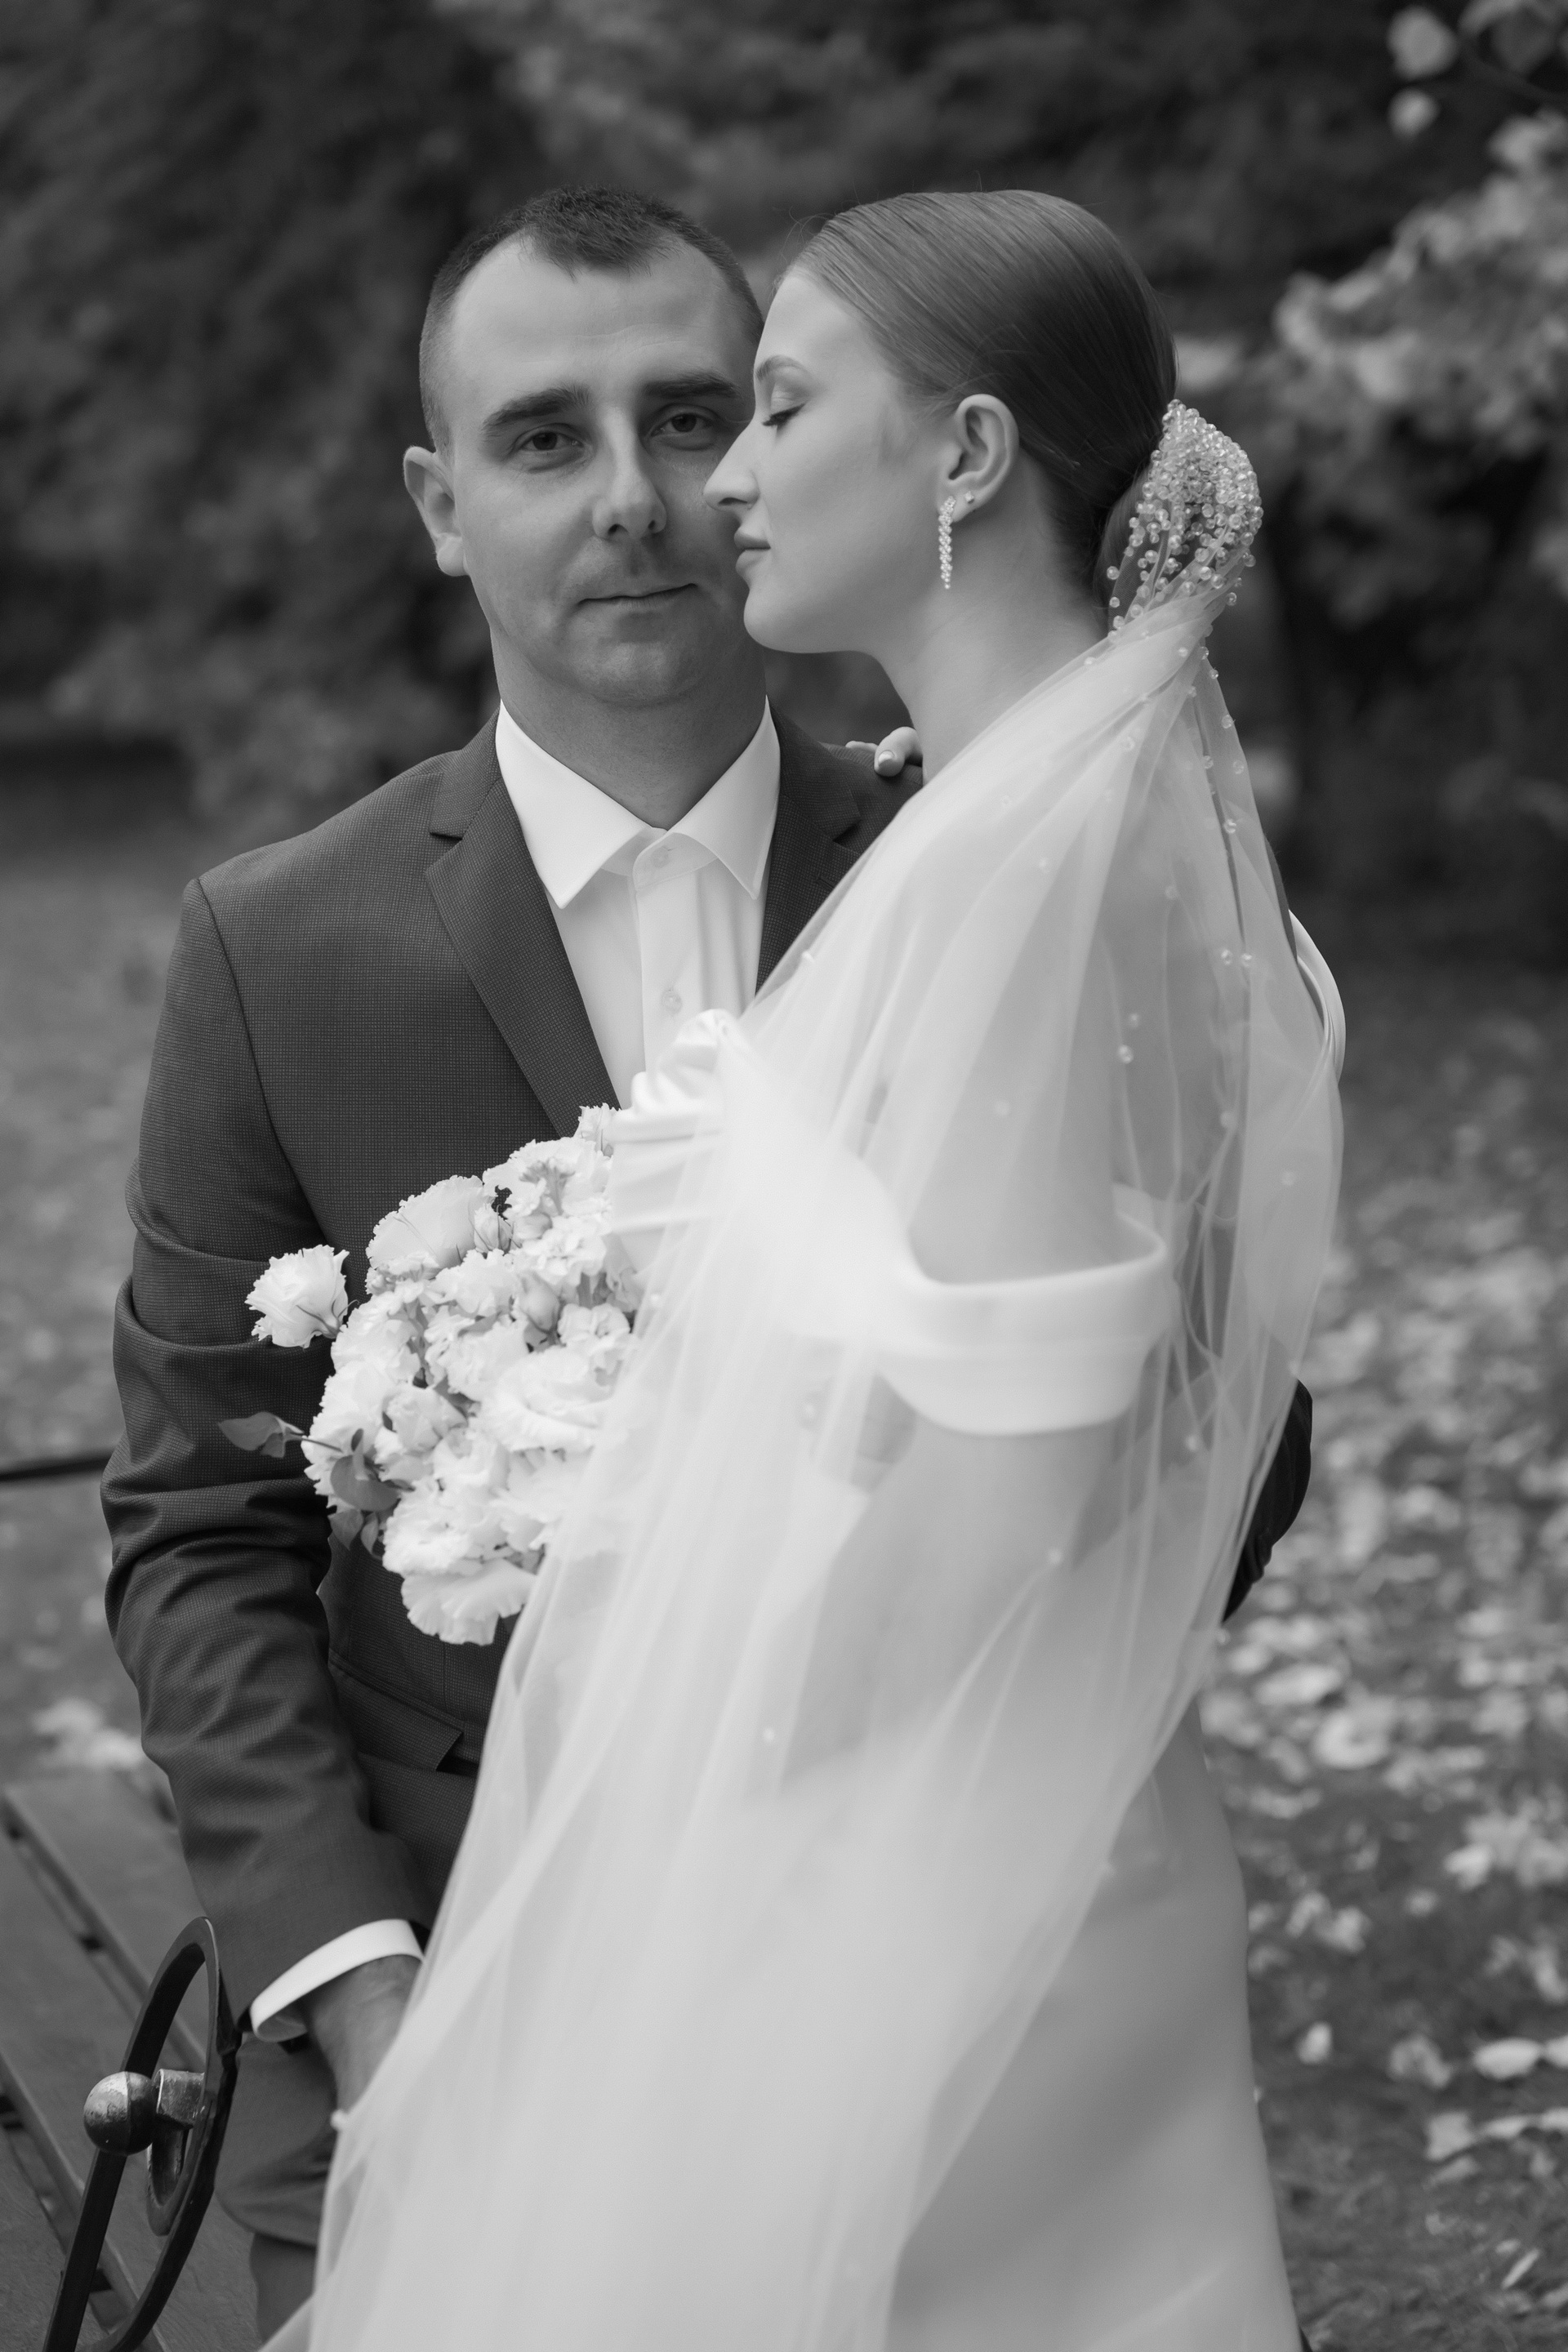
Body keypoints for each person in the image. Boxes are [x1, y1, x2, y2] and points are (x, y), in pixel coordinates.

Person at [282, 191, 1343, 2351]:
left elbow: (1068, 1460)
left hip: (897, 1880)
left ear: (965, 455)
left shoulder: (1041, 864)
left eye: (759, 409)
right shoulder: (1005, 822)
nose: (710, 487)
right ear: (439, 500)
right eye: (557, 438)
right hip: (887, 1854)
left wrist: (652, 1791)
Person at [101, 185, 930, 2342]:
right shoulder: (277, 950)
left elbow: (1226, 1434)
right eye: (545, 439)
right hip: (455, 1995)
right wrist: (382, 2016)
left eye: (693, 416)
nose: (634, 497)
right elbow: (197, 1530)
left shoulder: (976, 875)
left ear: (774, 453)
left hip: (929, 1944)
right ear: (439, 506)